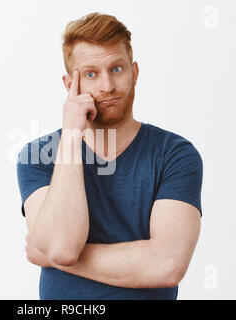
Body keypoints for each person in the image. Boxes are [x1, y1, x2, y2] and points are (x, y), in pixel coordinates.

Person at [16, 12, 203, 300]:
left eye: (116, 69)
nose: (106, 86)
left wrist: (52, 258)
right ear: (70, 86)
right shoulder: (38, 156)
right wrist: (70, 136)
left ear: (135, 72)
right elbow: (63, 247)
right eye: (90, 74)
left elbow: (166, 265)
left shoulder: (175, 154)